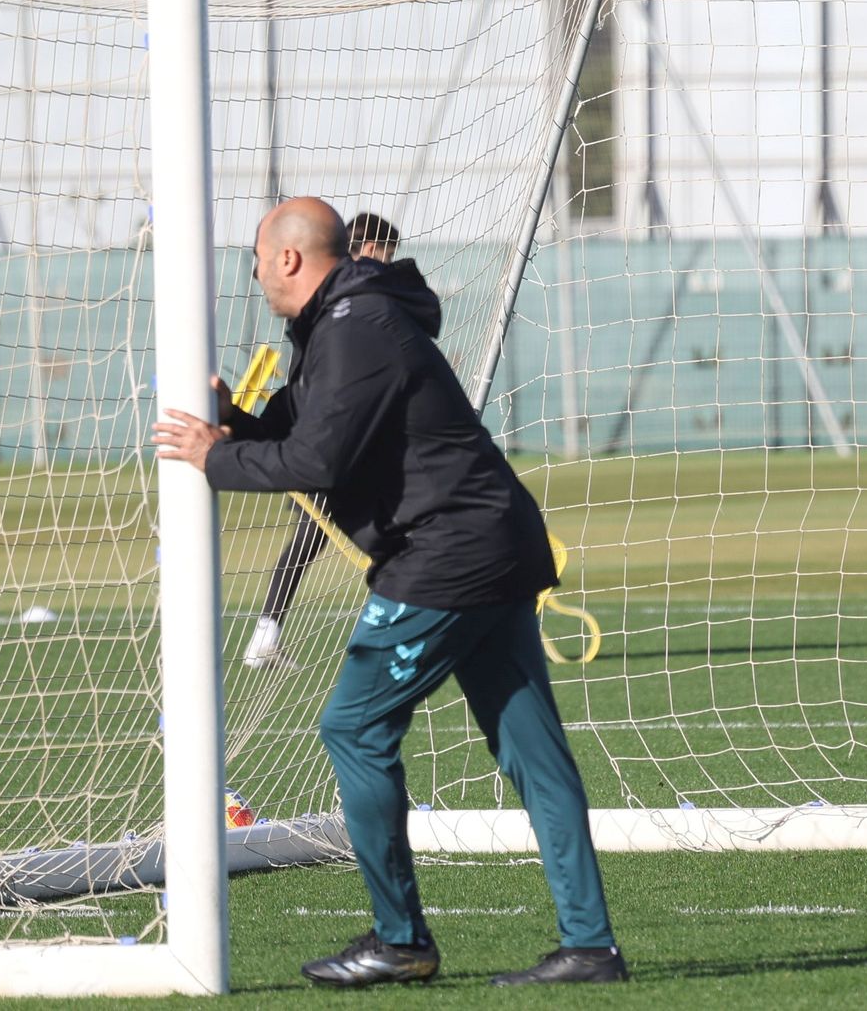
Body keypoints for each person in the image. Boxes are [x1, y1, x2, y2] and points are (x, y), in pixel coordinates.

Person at [154, 197, 629, 986]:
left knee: (352, 728)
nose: (255, 273)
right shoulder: (347, 321)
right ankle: (592, 947)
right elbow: (303, 432)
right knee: (534, 753)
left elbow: (319, 464)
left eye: (258, 259)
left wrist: (212, 460)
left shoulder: (353, 329)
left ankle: (400, 940)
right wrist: (237, 422)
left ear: (292, 261)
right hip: (492, 546)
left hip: (449, 556)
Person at [242, 211, 404, 670]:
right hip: (322, 438)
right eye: (385, 254)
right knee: (324, 532)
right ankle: (265, 635)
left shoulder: (341, 300)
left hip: (334, 436)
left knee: (326, 534)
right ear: (369, 249)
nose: (388, 263)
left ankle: (267, 634)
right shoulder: (343, 303)